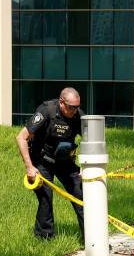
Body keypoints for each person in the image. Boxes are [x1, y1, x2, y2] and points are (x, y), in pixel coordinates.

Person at [16, 87, 85, 239]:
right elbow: (21, 137)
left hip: (65, 161)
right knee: (45, 198)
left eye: (77, 107)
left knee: (81, 195)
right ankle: (44, 239)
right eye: (71, 107)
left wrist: (86, 167)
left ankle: (92, 238)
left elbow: (90, 140)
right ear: (61, 102)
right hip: (42, 161)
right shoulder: (46, 111)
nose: (75, 110)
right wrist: (29, 167)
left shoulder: (79, 116)